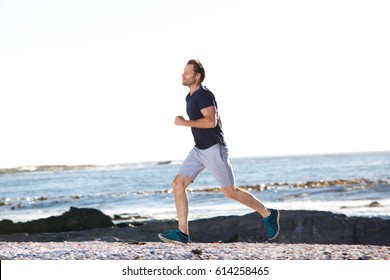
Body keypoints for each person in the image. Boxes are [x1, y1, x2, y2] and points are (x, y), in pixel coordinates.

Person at [158, 59, 279, 244]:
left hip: (214, 149)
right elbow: (217, 120)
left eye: (187, 72)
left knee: (230, 191)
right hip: (199, 149)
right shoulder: (190, 97)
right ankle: (183, 234)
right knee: (178, 184)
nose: (183, 75)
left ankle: (268, 215)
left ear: (197, 76)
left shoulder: (205, 95)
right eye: (183, 72)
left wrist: (185, 123)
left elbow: (211, 122)